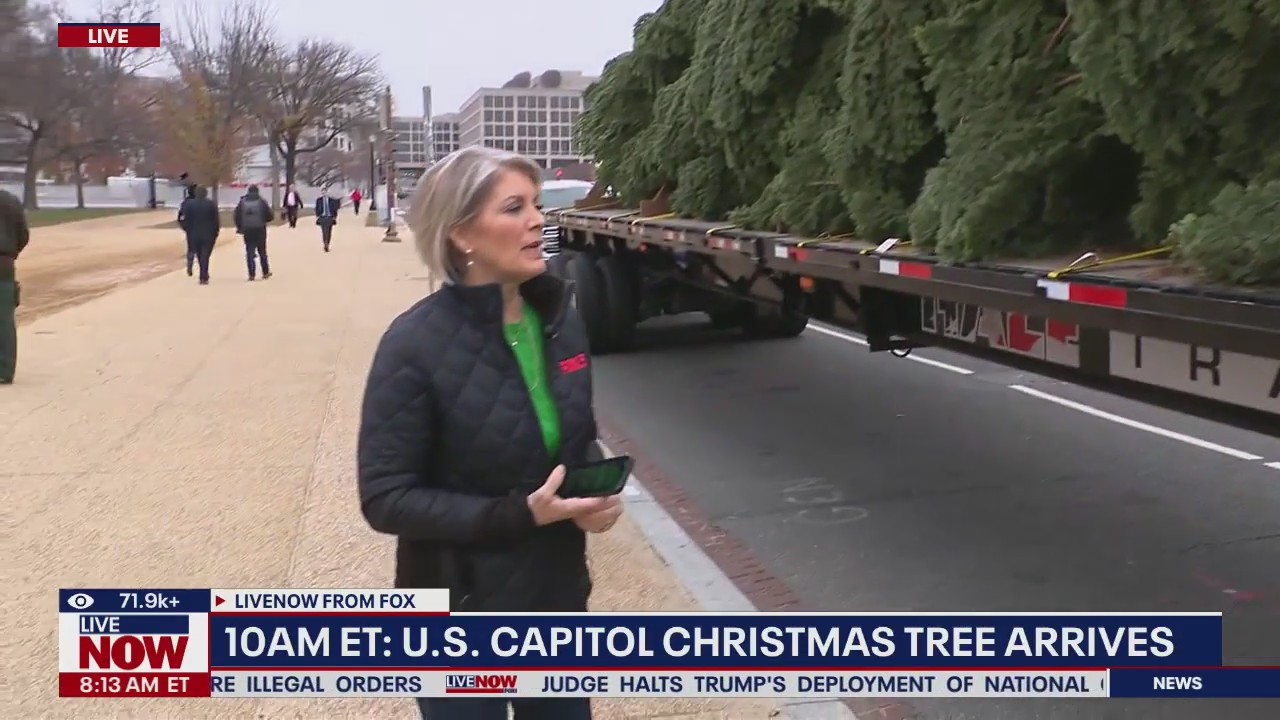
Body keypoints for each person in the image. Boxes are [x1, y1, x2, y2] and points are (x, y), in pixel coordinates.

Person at [357, 146, 621, 720]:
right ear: (462, 236)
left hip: (553, 600)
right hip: (455, 610)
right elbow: (385, 498)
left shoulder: (561, 321)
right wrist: (519, 514)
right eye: (513, 207)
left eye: (534, 205)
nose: (537, 219)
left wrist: (590, 493)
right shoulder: (412, 345)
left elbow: (576, 436)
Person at [0, 188, 29, 384]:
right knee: (4, 319)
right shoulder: (10, 200)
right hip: (4, 263)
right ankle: (5, 369)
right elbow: (23, 235)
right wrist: (10, 254)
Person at [177, 186, 221, 284]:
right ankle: (203, 276)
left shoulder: (188, 204)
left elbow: (181, 218)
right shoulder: (211, 204)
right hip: (208, 234)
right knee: (205, 255)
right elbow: (216, 220)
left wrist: (186, 228)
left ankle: (203, 274)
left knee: (199, 254)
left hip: (193, 233)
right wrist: (216, 232)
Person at [234, 184, 274, 280]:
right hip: (260, 229)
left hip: (247, 230)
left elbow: (237, 216)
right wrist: (264, 220)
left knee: (249, 252)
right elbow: (269, 216)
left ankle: (251, 274)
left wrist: (240, 227)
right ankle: (265, 272)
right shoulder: (262, 202)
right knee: (262, 251)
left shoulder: (242, 202)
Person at [314, 188, 340, 252]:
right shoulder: (319, 200)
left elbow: (335, 209)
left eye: (325, 192)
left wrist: (334, 216)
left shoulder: (331, 200)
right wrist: (318, 215)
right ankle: (325, 244)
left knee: (329, 232)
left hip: (329, 217)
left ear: (327, 193)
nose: (324, 194)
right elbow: (317, 208)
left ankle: (327, 242)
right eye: (322, 193)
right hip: (322, 217)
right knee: (324, 231)